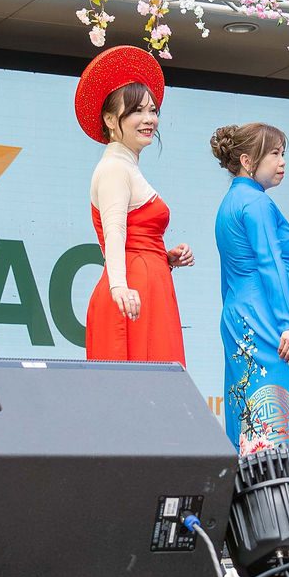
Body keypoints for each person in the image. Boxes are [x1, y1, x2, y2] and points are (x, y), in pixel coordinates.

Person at [210, 121, 289, 458]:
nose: (282, 161)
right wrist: (288, 322)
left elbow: (229, 276)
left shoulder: (230, 202)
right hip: (270, 316)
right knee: (283, 414)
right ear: (247, 161)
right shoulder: (256, 203)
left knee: (250, 415)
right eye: (274, 154)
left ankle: (256, 488)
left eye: (283, 153)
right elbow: (270, 262)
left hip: (240, 315)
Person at [78, 46, 191, 363]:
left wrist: (165, 258)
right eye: (137, 111)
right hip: (131, 292)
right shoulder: (114, 168)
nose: (149, 119)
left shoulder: (126, 166)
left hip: (146, 284)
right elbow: (114, 231)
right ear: (110, 119)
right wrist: (119, 288)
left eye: (153, 111)